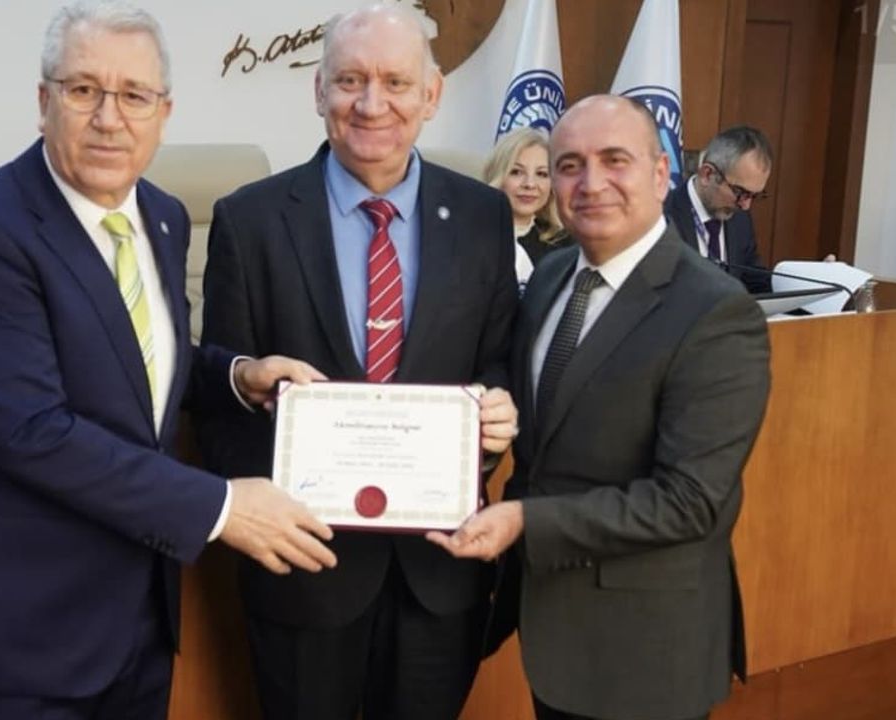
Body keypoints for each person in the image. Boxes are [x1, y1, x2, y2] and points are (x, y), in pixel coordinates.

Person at [0, 3, 336, 719]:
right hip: (25, 629)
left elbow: (131, 360)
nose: (110, 118)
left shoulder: (162, 215)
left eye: (135, 95)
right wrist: (223, 506)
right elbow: (30, 430)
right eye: (85, 90)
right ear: (44, 101)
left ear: (163, 113)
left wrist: (235, 377)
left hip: (138, 617)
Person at [197, 5, 520, 719]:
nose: (372, 103)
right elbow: (217, 390)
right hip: (304, 573)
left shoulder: (484, 217)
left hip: (440, 573)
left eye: (396, 82)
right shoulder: (249, 220)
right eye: (350, 80)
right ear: (319, 91)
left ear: (431, 95)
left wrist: (496, 417)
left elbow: (497, 364)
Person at [428, 95, 772, 720]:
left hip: (643, 643)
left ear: (662, 173)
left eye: (615, 160)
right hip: (552, 621)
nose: (590, 183)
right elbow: (534, 431)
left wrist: (525, 521)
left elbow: (689, 502)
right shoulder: (552, 276)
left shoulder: (716, 311)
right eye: (569, 165)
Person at [664, 125, 774, 293]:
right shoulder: (660, 217)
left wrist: (805, 286)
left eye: (754, 196)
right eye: (740, 192)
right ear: (707, 174)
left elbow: (755, 282)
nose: (746, 205)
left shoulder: (740, 220)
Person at [483, 126, 571, 285]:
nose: (530, 184)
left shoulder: (566, 247)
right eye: (516, 172)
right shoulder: (465, 234)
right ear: (497, 175)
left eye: (542, 174)